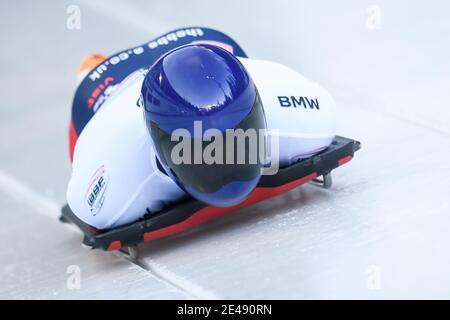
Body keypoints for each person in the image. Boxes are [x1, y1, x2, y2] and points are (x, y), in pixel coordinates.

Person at [67, 27, 336, 229]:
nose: (223, 158)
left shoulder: (300, 111)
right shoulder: (109, 175)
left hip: (207, 47)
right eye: (197, 147)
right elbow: (85, 201)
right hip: (105, 89)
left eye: (237, 133)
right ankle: (92, 64)